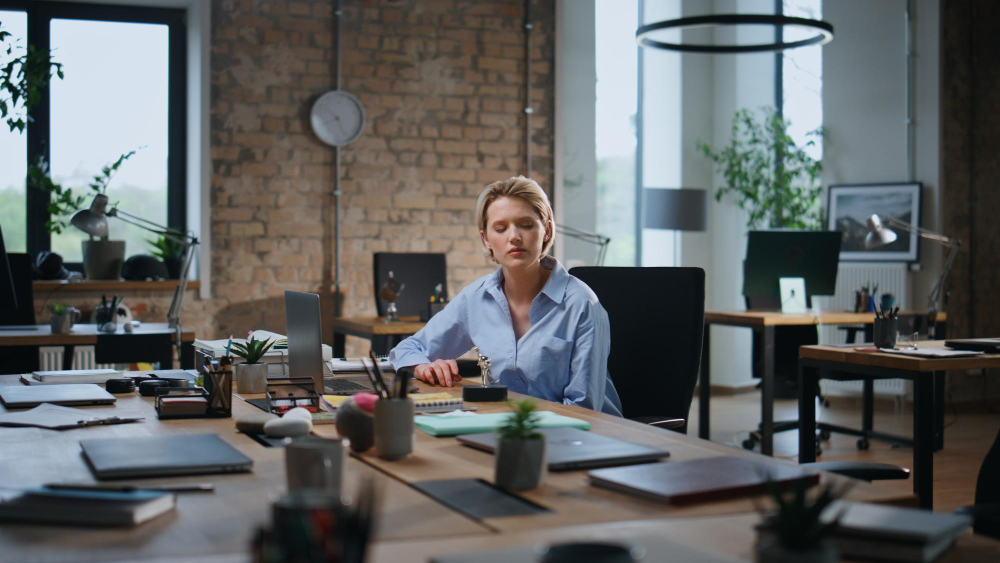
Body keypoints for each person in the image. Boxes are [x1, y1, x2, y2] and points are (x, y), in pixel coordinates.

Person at [389, 176, 623, 416]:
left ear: (547, 230)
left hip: (586, 436)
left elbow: (582, 409)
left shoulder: (582, 304)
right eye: (500, 229)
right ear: (486, 240)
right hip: (512, 427)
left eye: (526, 225)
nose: (514, 237)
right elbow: (409, 347)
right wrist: (423, 367)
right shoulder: (476, 299)